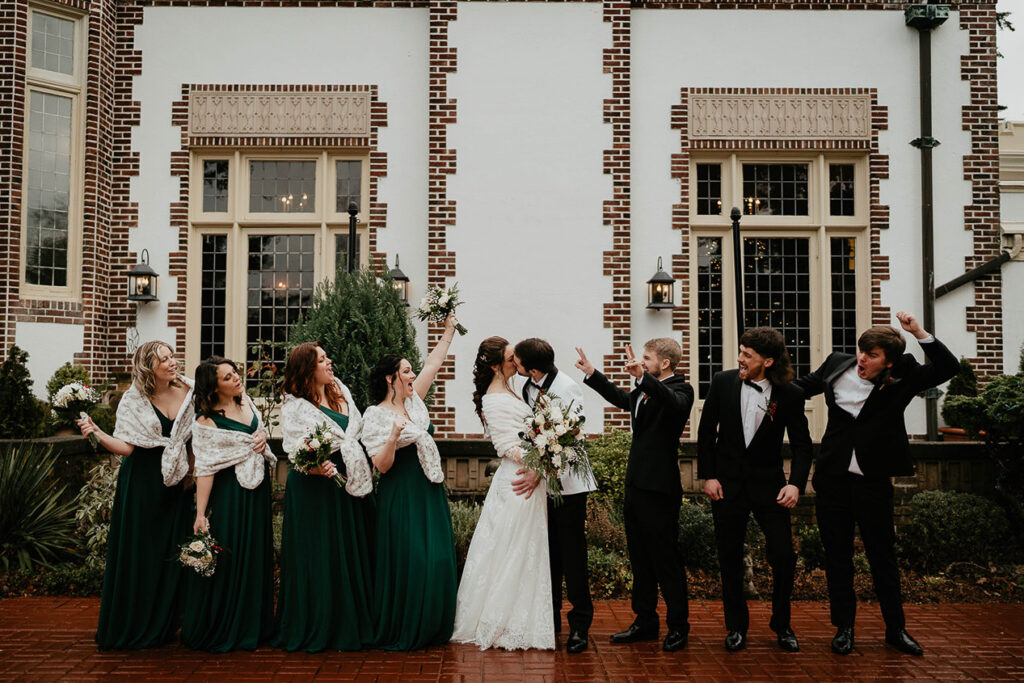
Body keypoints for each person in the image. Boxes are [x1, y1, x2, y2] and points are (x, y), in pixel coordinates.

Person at [794, 311, 958, 656]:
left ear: (888, 362)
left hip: (873, 481)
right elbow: (800, 388)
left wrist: (919, 332)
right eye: (861, 351)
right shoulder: (837, 364)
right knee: (838, 558)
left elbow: (947, 368)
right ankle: (844, 629)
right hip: (833, 479)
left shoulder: (904, 377)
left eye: (871, 355)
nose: (862, 359)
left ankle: (895, 629)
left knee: (882, 557)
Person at [697, 327, 813, 653]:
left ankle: (782, 624)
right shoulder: (722, 382)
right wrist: (708, 476)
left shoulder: (788, 394)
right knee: (729, 558)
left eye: (747, 354)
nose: (740, 359)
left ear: (768, 360)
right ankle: (736, 626)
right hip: (727, 486)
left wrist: (795, 484)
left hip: (770, 488)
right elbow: (706, 434)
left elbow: (803, 446)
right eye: (741, 351)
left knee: (784, 556)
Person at [577, 339, 693, 652]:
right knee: (640, 558)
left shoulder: (681, 390)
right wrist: (593, 374)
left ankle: (678, 626)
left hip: (659, 489)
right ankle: (645, 621)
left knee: (665, 559)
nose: (641, 362)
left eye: (647, 358)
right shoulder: (644, 389)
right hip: (636, 485)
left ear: (664, 363)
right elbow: (622, 398)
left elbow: (671, 402)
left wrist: (643, 377)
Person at [77, 341, 194, 649]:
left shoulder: (190, 392)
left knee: (173, 552)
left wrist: (192, 475)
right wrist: (97, 432)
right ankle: (136, 622)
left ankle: (168, 622)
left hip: (179, 484)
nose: (172, 363)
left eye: (172, 357)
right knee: (141, 553)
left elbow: (201, 434)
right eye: (164, 360)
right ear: (148, 368)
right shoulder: (133, 400)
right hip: (143, 483)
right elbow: (127, 447)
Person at [360, 314, 459, 650]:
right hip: (401, 493)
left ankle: (434, 625)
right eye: (405, 371)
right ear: (391, 379)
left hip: (428, 490)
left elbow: (433, 363)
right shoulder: (374, 415)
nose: (412, 374)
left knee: (439, 558)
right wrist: (391, 436)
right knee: (413, 559)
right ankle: (406, 625)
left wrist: (448, 331)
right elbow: (381, 467)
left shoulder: (416, 402)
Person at [452, 337, 554, 650]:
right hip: (518, 479)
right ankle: (504, 619)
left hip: (532, 475)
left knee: (527, 548)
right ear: (497, 364)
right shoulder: (492, 398)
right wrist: (540, 461)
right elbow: (505, 445)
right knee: (512, 547)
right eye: (512, 357)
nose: (517, 361)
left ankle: (526, 615)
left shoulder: (514, 388)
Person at [274, 342, 376, 652]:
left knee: (348, 549)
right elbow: (294, 452)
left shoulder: (339, 390)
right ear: (307, 369)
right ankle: (320, 623)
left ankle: (352, 620)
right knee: (320, 554)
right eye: (322, 359)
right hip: (315, 488)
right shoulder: (294, 407)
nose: (329, 362)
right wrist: (318, 467)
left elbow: (356, 429)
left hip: (349, 478)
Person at [182, 357, 276, 651]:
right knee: (232, 555)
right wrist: (200, 514)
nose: (237, 378)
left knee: (256, 554)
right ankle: (227, 625)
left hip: (257, 491)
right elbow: (206, 468)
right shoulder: (206, 421)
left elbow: (258, 433)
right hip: (231, 496)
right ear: (213, 388)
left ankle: (255, 625)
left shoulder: (247, 402)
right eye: (227, 377)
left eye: (235, 373)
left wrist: (261, 437)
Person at [511, 337, 597, 654]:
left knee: (573, 556)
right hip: (541, 486)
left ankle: (580, 627)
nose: (514, 366)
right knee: (548, 555)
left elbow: (568, 435)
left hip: (569, 485)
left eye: (517, 362)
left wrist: (539, 471)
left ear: (531, 368)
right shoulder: (529, 386)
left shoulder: (566, 387)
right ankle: (550, 620)